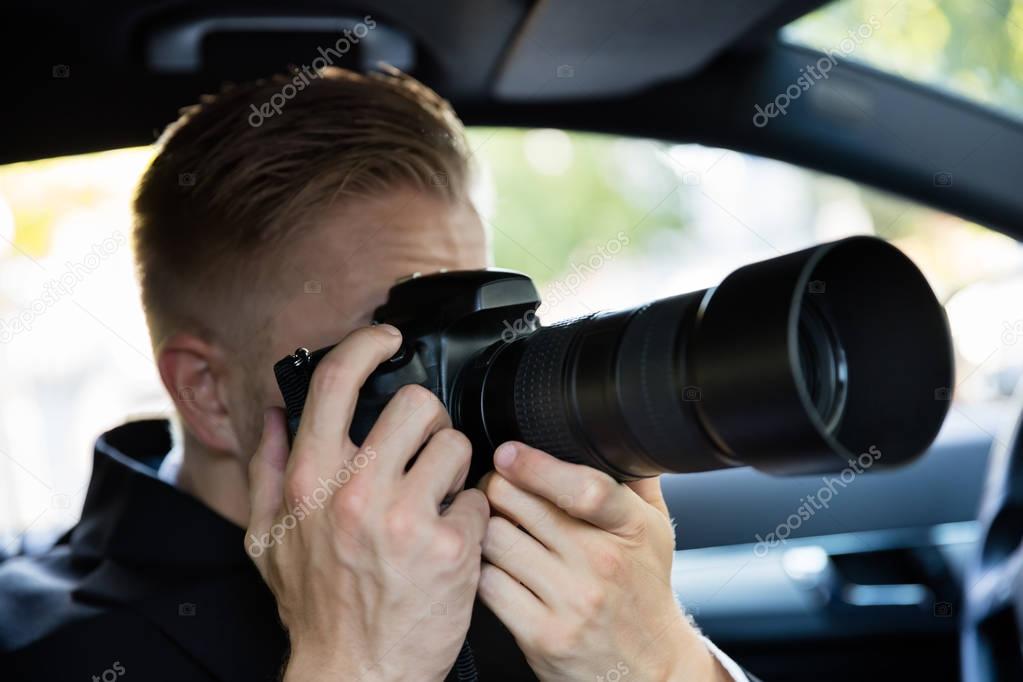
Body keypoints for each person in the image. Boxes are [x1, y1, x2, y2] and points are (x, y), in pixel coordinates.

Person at [0, 67, 756, 681]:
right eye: (407, 340)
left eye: (482, 328)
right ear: (208, 395)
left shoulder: (530, 561)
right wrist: (355, 664)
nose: (470, 376)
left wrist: (663, 663)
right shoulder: (54, 651)